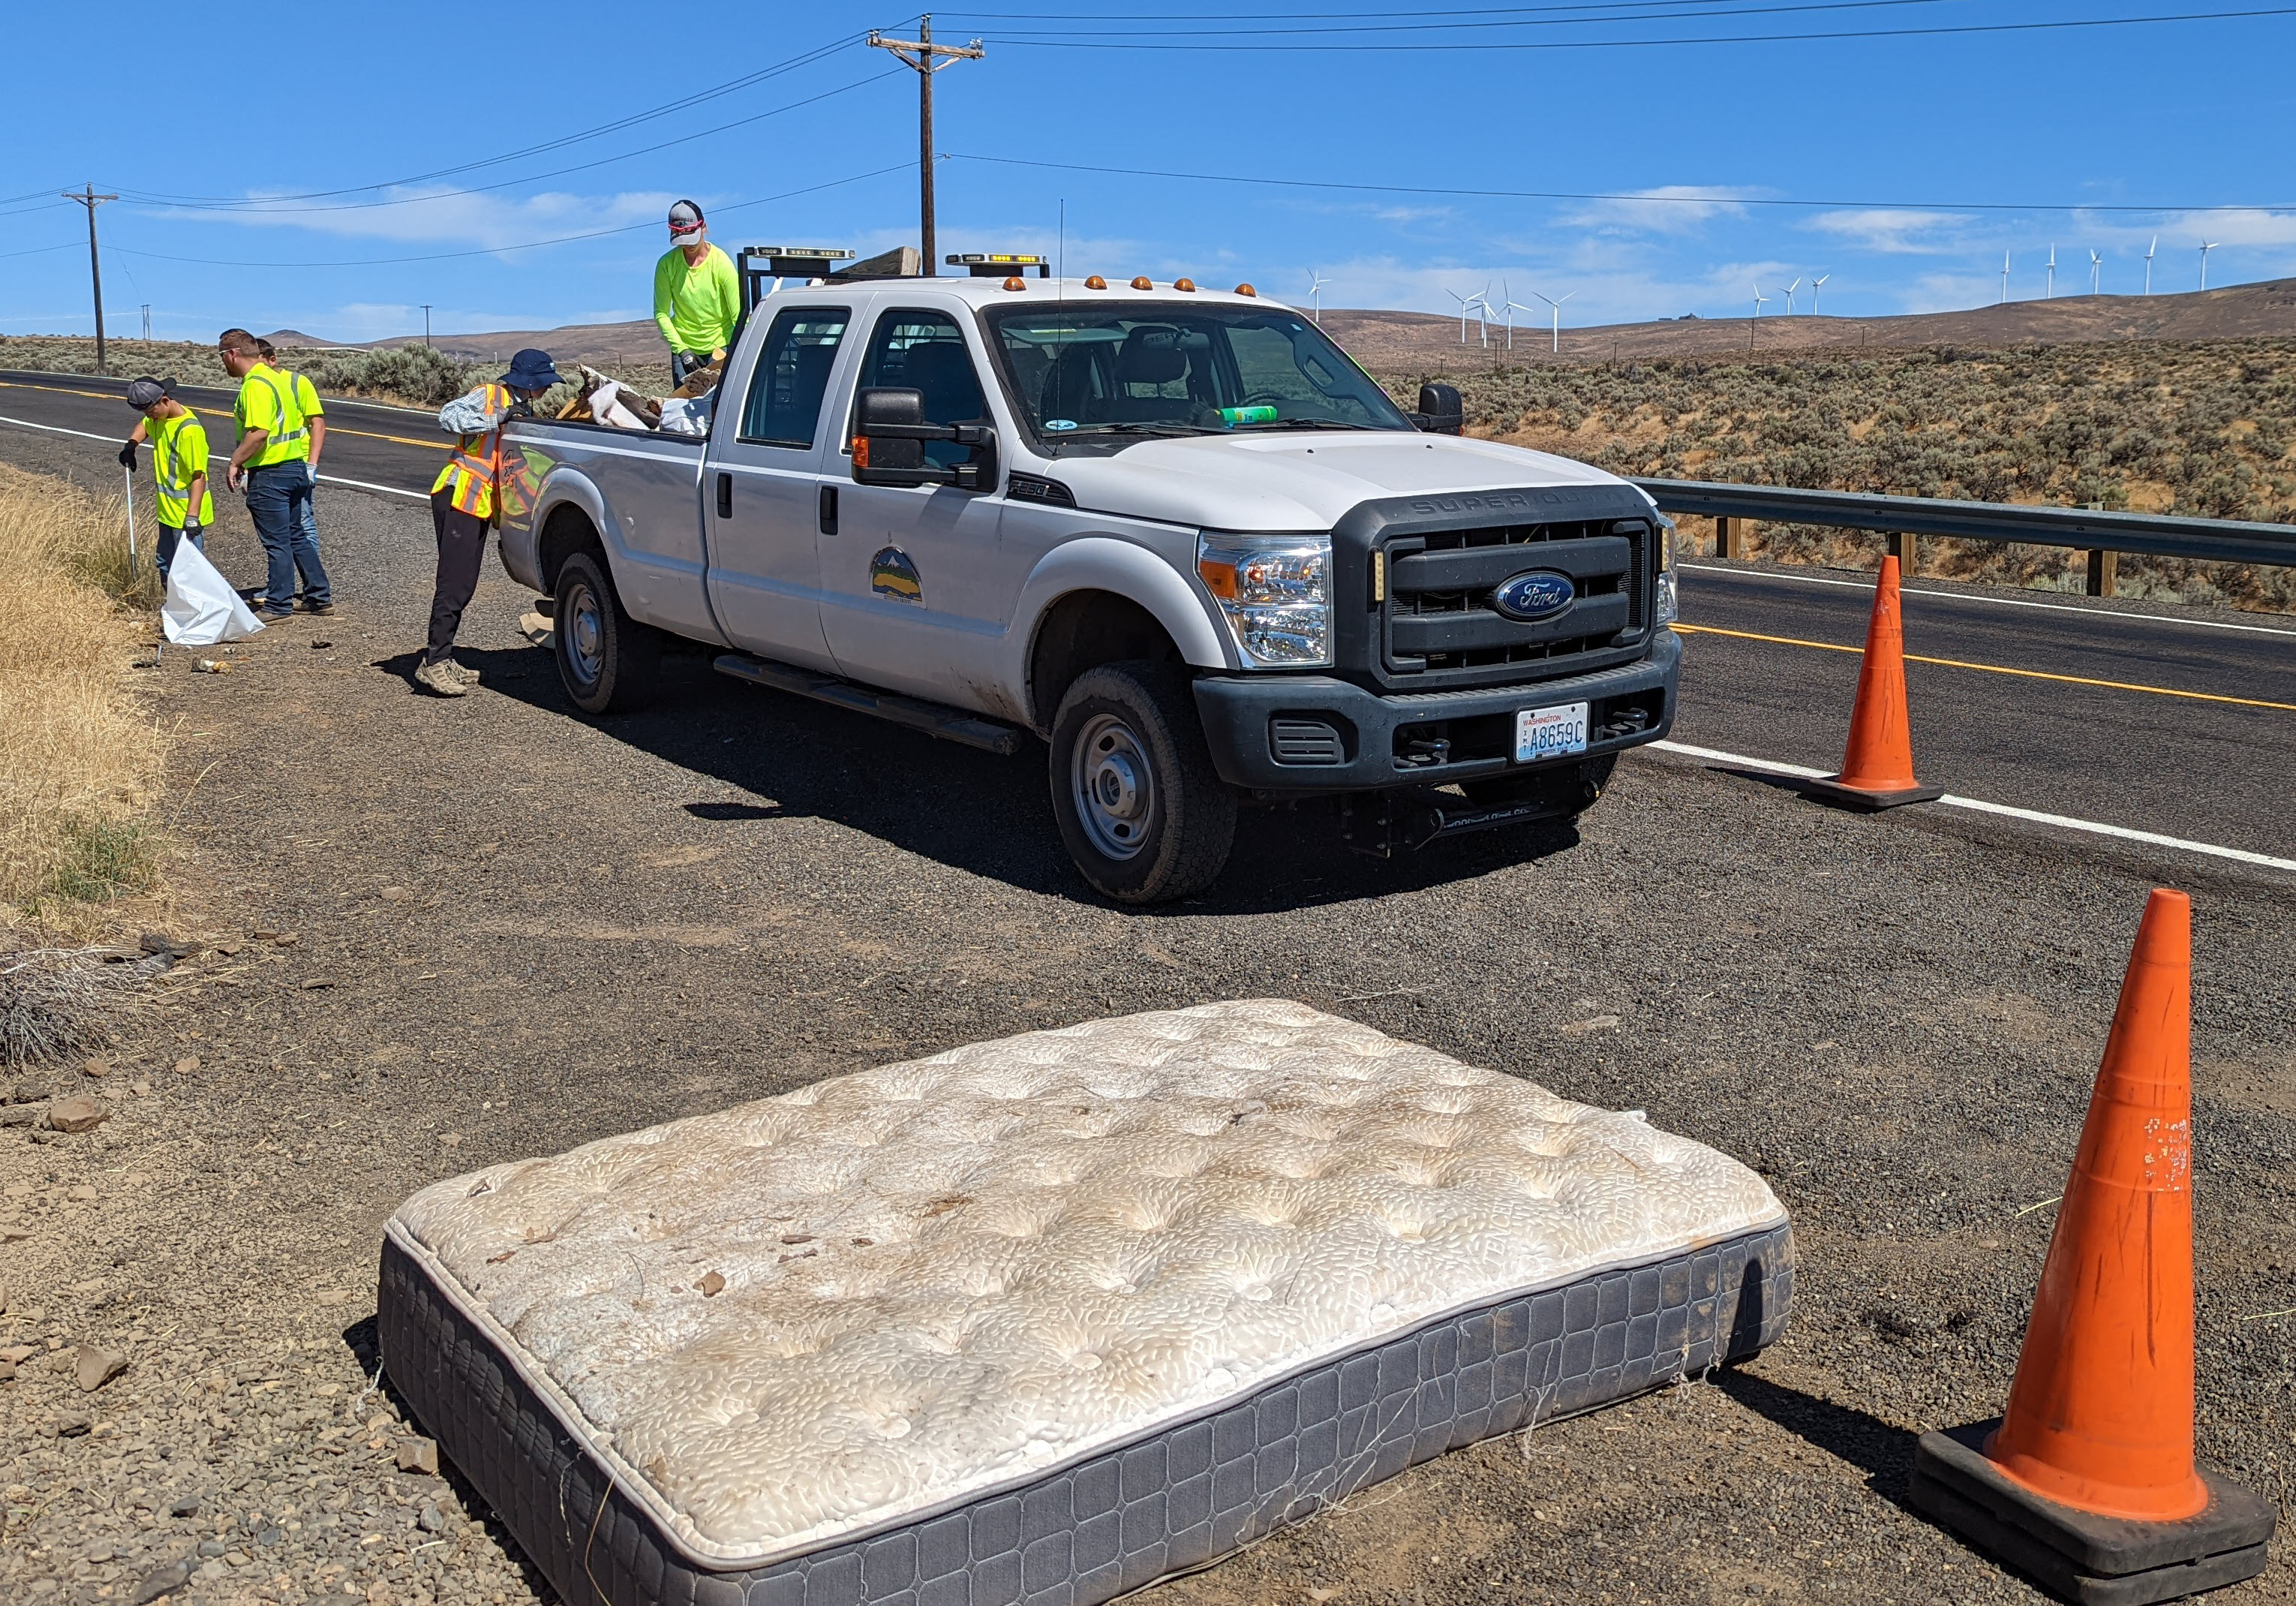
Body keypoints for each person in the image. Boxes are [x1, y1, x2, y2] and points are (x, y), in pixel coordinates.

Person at [417, 348, 560, 698]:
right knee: (456, 582)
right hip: (459, 496)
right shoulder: (490, 396)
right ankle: (434, 663)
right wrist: (497, 418)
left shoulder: (525, 409)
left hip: (478, 503)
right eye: (543, 384)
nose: (546, 390)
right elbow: (448, 416)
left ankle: (445, 657)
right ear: (528, 382)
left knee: (464, 582)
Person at [219, 328, 332, 620]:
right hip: (295, 467)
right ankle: (319, 595)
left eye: (222, 356)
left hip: (271, 472)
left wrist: (235, 462)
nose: (222, 363)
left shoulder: (255, 384)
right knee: (296, 535)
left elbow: (259, 432)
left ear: (233, 354)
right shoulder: (278, 380)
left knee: (277, 541)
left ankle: (279, 604)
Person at [117, 377, 212, 585]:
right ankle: (174, 608)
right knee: (165, 563)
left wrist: (193, 517)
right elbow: (144, 426)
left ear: (165, 401)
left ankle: (197, 613)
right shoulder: (159, 419)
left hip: (186, 515)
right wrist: (131, 445)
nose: (149, 417)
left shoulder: (189, 431)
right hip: (168, 512)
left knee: (190, 569)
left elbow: (199, 476)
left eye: (151, 411)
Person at [257, 338, 329, 590]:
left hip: (297, 463)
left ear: (272, 359)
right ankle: (285, 585)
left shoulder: (297, 383)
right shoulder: (258, 386)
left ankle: (310, 586)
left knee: (302, 525)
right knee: (280, 531)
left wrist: (312, 465)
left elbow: (317, 423)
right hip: (270, 466)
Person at [652, 200, 739, 386]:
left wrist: (739, 349)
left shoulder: (721, 263)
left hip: (720, 347)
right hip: (685, 349)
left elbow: (738, 314)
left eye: (692, 237)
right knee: (683, 408)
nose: (688, 246)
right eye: (682, 240)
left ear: (704, 227)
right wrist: (682, 351)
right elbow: (662, 313)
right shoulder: (666, 265)